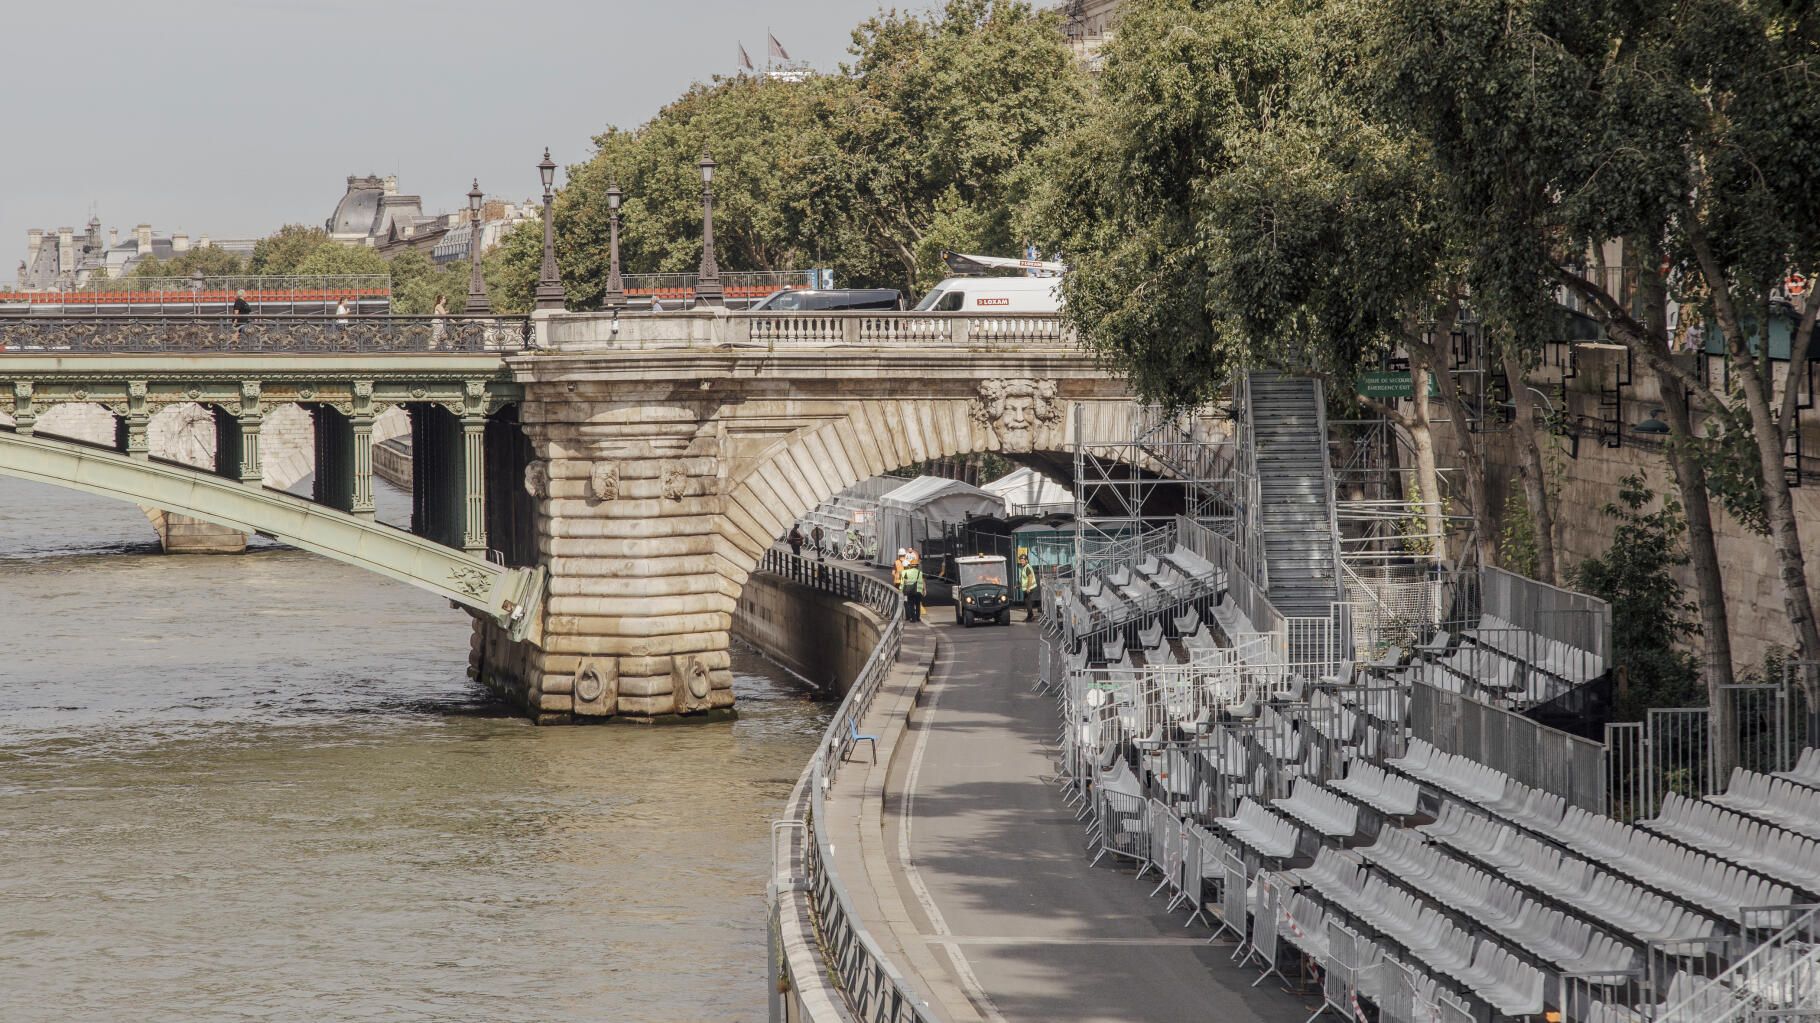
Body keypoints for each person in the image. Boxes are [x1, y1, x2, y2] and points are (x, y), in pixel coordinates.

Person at [900, 557, 925, 623]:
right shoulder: (920, 572)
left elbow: (903, 582)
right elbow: (922, 582)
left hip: (910, 591)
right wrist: (924, 590)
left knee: (911, 604)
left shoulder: (906, 572)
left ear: (910, 565)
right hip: (918, 591)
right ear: (917, 565)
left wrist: (901, 590)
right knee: (918, 605)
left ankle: (913, 619)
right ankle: (918, 618)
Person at [1019, 552, 1038, 621]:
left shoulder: (1027, 567)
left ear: (1026, 560)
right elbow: (1025, 579)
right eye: (1020, 561)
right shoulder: (1025, 567)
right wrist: (1019, 585)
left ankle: (1030, 617)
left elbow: (1030, 577)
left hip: (1030, 588)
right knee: (1027, 602)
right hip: (1027, 588)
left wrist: (1028, 588)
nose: (1021, 562)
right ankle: (1030, 616)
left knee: (1028, 602)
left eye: (1022, 561)